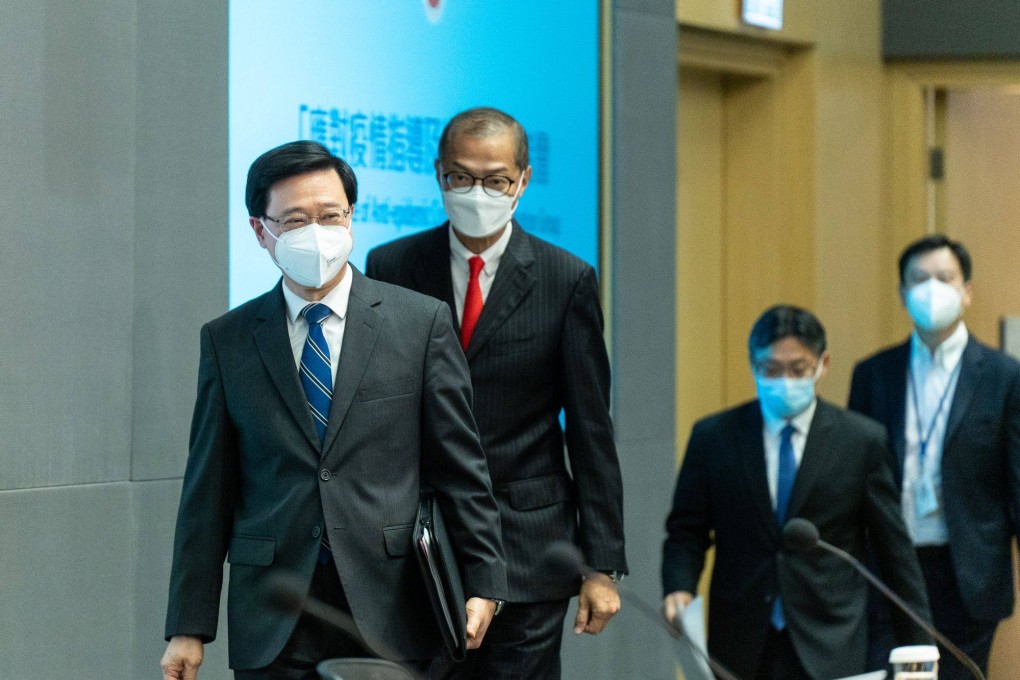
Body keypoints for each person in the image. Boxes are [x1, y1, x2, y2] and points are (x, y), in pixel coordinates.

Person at [160, 141, 508, 680]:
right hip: (274, 611)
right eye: (295, 220)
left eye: (330, 215)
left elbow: (463, 471)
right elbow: (207, 493)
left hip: (392, 602)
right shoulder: (228, 340)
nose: (316, 232)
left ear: (351, 219)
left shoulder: (418, 324)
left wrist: (485, 582)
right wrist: (188, 625)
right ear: (261, 231)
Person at [365, 107, 626, 680]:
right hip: (422, 540)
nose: (477, 192)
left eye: (496, 180)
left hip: (528, 546)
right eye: (461, 177)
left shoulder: (565, 279)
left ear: (523, 181)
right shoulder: (392, 266)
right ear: (438, 175)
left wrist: (601, 565)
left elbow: (591, 430)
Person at [662, 305, 930, 680]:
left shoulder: (861, 441)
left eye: (798, 369)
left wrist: (920, 649)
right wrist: (679, 587)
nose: (784, 379)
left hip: (830, 638)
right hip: (740, 639)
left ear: (823, 364)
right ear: (753, 365)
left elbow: (893, 550)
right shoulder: (714, 437)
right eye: (771, 369)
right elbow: (686, 531)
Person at [848, 234, 1020, 679]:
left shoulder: (1004, 376)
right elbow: (853, 483)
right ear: (903, 294)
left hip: (969, 574)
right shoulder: (873, 375)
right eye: (919, 279)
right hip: (889, 569)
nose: (932, 289)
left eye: (945, 278)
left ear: (967, 292)